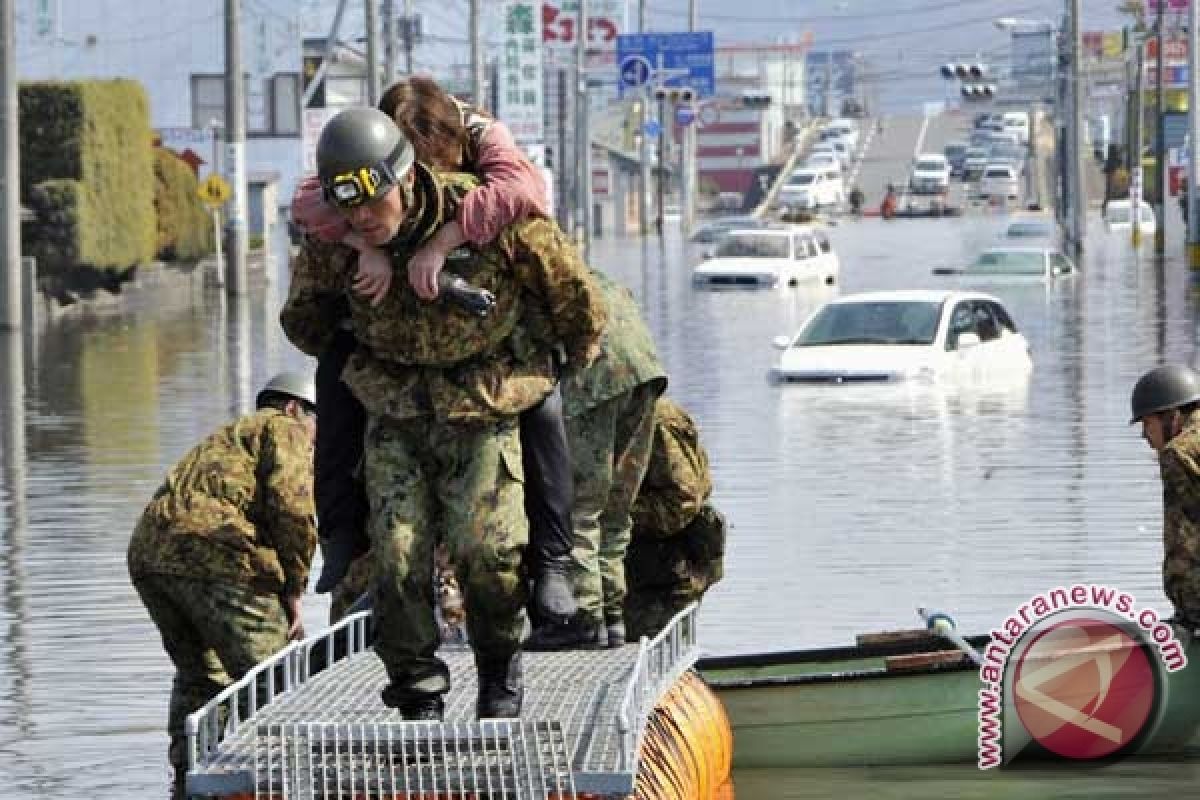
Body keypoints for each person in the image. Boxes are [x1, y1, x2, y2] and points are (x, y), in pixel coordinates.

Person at [281, 107, 607, 721]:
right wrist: (354, 267)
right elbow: (303, 321)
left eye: (371, 205)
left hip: (482, 411)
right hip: (397, 417)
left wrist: (558, 360)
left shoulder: (484, 214)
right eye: (347, 208)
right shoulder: (340, 235)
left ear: (404, 178)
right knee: (397, 560)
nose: (359, 218)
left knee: (486, 551)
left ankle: (500, 674)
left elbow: (576, 297)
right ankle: (417, 690)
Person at [126, 372, 318, 798]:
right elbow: (292, 506)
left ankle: (186, 780)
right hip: (214, 550)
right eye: (317, 420)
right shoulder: (283, 427)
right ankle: (277, 779)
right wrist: (293, 588)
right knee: (275, 673)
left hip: (149, 552)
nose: (318, 436)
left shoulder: (227, 439)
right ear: (293, 407)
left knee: (202, 673)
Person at [526, 272, 667, 650]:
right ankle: (614, 618)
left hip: (595, 378)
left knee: (580, 508)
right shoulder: (585, 271)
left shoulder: (524, 275)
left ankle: (583, 619)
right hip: (644, 368)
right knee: (617, 510)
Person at [624, 397, 726, 640]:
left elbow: (682, 502)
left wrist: (612, 515)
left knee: (649, 657)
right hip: (636, 568)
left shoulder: (654, 418)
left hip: (663, 572)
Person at [1130, 365, 1200, 628]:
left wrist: (1189, 610)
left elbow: (1184, 542)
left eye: (1148, 423)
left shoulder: (1177, 454)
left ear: (1172, 417)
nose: (1145, 436)